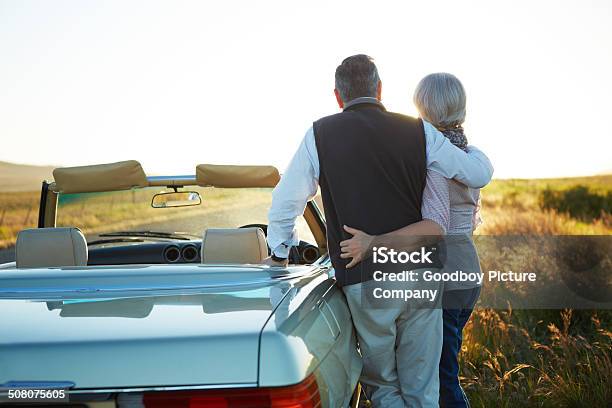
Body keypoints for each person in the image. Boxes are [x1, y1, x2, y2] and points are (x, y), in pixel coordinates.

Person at [265, 55, 493, 407]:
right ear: (380, 89)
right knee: (423, 386)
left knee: (384, 385)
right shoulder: (419, 130)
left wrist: (280, 252)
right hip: (422, 272)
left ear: (338, 97)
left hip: (365, 278)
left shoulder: (319, 134)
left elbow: (285, 202)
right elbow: (473, 173)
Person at [340, 72, 484, 408]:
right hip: (468, 270)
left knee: (439, 378)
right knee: (446, 369)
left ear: (422, 106)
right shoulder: (471, 155)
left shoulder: (431, 158)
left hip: (443, 273)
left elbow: (432, 225)